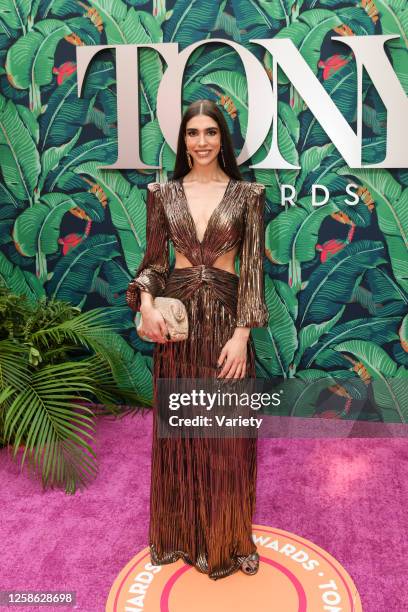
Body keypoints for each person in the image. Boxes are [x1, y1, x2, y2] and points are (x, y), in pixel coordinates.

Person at [126, 99, 269, 580]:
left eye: (211, 132)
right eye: (193, 133)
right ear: (182, 141)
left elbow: (252, 271)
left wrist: (242, 335)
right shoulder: (161, 194)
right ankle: (182, 537)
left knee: (225, 437)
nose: (202, 141)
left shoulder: (248, 195)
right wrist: (146, 303)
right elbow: (153, 264)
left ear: (222, 140)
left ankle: (225, 541)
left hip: (227, 323)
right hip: (179, 327)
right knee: (183, 434)